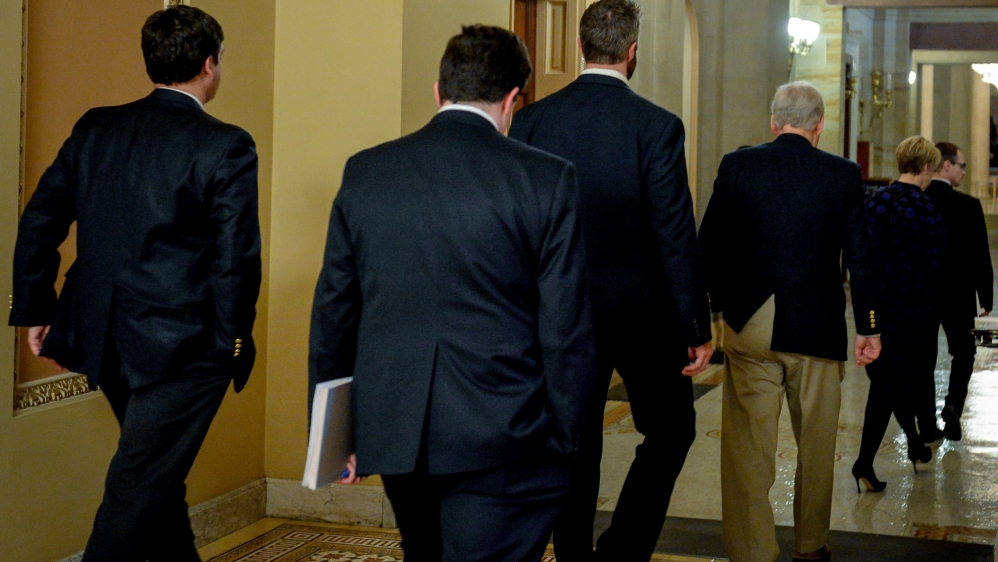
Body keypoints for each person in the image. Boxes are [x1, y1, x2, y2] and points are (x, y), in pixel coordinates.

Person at [309, 25, 597, 562]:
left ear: (438, 90)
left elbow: (334, 312)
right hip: (505, 432)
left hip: (396, 431)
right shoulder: (546, 178)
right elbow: (565, 328)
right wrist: (569, 441)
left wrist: (332, 436)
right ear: (512, 100)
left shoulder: (367, 171)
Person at [8, 6, 261, 561]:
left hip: (104, 337)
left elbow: (40, 219)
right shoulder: (226, 144)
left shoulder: (96, 127)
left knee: (154, 478)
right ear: (210, 64)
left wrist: (36, 308)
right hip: (187, 348)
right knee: (138, 484)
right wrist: (232, 344)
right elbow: (236, 260)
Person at [509, 2, 713, 560]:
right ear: (632, 51)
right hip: (642, 316)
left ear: (580, 47)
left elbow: (519, 227)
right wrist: (696, 325)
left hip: (557, 313)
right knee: (672, 431)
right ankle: (621, 552)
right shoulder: (657, 126)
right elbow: (674, 233)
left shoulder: (532, 121)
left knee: (573, 443)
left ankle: (574, 558)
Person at [698, 81, 881, 562]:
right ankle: (810, 545)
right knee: (817, 447)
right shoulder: (843, 174)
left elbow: (709, 247)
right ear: (820, 126)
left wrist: (710, 313)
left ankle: (752, 552)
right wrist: (869, 325)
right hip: (816, 326)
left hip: (751, 322)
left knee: (747, 452)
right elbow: (861, 258)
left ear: (773, 122)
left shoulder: (738, 165)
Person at [853, 136, 943, 494]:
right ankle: (864, 462)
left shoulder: (875, 201)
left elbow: (861, 256)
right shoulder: (927, 208)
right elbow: (935, 266)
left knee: (889, 382)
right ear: (925, 167)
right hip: (912, 311)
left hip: (876, 308)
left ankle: (915, 445)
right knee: (889, 386)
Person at [925, 142, 993, 442]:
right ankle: (953, 406)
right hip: (959, 294)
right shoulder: (968, 205)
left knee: (924, 356)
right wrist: (986, 297)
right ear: (946, 165)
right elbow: (981, 255)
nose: (964, 172)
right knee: (964, 352)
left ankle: (926, 421)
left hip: (923, 293)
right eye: (961, 166)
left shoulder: (919, 200)